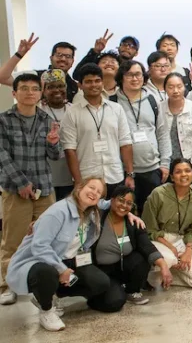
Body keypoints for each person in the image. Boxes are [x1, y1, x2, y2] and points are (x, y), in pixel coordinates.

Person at [4, 179, 114, 331]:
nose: (94, 193)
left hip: (70, 259)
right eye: (91, 187)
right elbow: (39, 246)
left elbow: (110, 204)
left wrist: (129, 214)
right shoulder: (58, 211)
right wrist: (61, 269)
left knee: (101, 283)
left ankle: (53, 295)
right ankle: (46, 309)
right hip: (38, 261)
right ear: (79, 187)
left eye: (98, 192)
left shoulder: (90, 210)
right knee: (46, 273)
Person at [0, 73, 62, 305]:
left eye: (34, 89)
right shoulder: (4, 120)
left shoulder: (46, 119)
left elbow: (55, 156)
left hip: (44, 189)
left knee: (48, 239)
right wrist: (21, 183)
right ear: (14, 93)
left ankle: (45, 284)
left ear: (40, 93)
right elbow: (2, 156)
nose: (30, 92)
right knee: (12, 241)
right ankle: (7, 285)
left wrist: (54, 143)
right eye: (24, 88)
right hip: (15, 190)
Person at [60, 64, 134, 196]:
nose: (93, 85)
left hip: (115, 175)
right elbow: (70, 150)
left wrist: (129, 174)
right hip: (87, 178)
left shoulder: (116, 109)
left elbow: (126, 143)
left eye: (97, 81)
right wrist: (78, 182)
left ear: (102, 82)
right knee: (90, 216)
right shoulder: (72, 113)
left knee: (114, 215)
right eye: (88, 82)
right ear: (80, 85)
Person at [93, 186, 173, 308]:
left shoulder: (134, 223)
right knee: (114, 302)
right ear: (112, 200)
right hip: (102, 270)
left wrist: (164, 266)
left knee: (141, 258)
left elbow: (146, 246)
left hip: (122, 267)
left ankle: (132, 291)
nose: (124, 205)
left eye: (129, 203)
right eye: (121, 200)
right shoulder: (98, 217)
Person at [142, 158, 192, 289]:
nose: (183, 175)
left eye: (187, 171)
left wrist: (188, 251)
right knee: (170, 259)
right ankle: (161, 270)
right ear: (172, 176)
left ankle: (172, 274)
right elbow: (150, 229)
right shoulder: (158, 194)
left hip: (182, 241)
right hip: (158, 239)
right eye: (178, 172)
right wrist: (171, 248)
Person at [111, 60, 171, 213]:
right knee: (124, 214)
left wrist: (164, 163)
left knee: (152, 213)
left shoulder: (153, 100)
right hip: (123, 171)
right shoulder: (112, 103)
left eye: (138, 74)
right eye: (129, 75)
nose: (134, 78)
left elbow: (162, 133)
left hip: (152, 169)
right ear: (121, 78)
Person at [1, 35, 80, 102]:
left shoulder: (75, 87)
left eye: (68, 56)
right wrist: (19, 54)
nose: (63, 59)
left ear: (72, 61)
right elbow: (3, 78)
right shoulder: (35, 76)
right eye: (59, 55)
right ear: (51, 58)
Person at [162, 72, 192, 191]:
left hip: (190, 161)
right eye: (170, 87)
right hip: (168, 163)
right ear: (164, 88)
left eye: (179, 86)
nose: (175, 90)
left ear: (185, 87)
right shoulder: (159, 108)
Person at [39, 70, 75, 201]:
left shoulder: (74, 110)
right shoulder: (37, 111)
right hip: (46, 179)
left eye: (60, 86)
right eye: (51, 87)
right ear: (43, 90)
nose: (57, 90)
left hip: (70, 177)